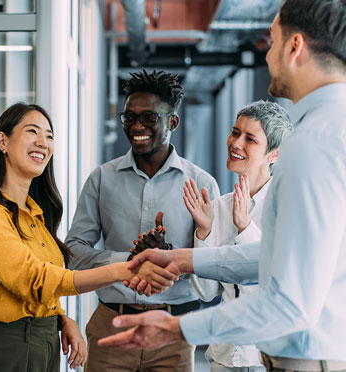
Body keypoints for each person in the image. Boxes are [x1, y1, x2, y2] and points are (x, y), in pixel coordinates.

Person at [98, 1, 346, 371]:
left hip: (309, 358)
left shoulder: (313, 143)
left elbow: (289, 302)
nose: (267, 56)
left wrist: (176, 328)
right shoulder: (331, 130)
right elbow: (277, 257)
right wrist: (182, 259)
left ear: (295, 47)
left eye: (273, 42)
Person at [0, 102, 177, 372]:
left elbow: (41, 286)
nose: (43, 142)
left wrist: (61, 318)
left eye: (49, 136)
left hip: (45, 341)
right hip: (4, 347)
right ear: (2, 141)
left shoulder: (37, 215)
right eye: (32, 132)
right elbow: (34, 280)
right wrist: (124, 270)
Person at [65, 69, 220, 372]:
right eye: (129, 117)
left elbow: (212, 273)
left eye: (149, 118)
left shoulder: (202, 184)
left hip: (173, 332)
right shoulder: (101, 180)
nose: (137, 126)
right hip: (112, 324)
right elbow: (73, 253)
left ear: (172, 122)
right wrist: (130, 261)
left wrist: (171, 260)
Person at [185, 100, 292, 372]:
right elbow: (207, 293)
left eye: (250, 139)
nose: (236, 143)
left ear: (274, 155)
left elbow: (274, 281)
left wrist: (245, 228)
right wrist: (204, 231)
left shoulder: (289, 207)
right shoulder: (219, 206)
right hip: (223, 357)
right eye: (235, 132)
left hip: (267, 359)